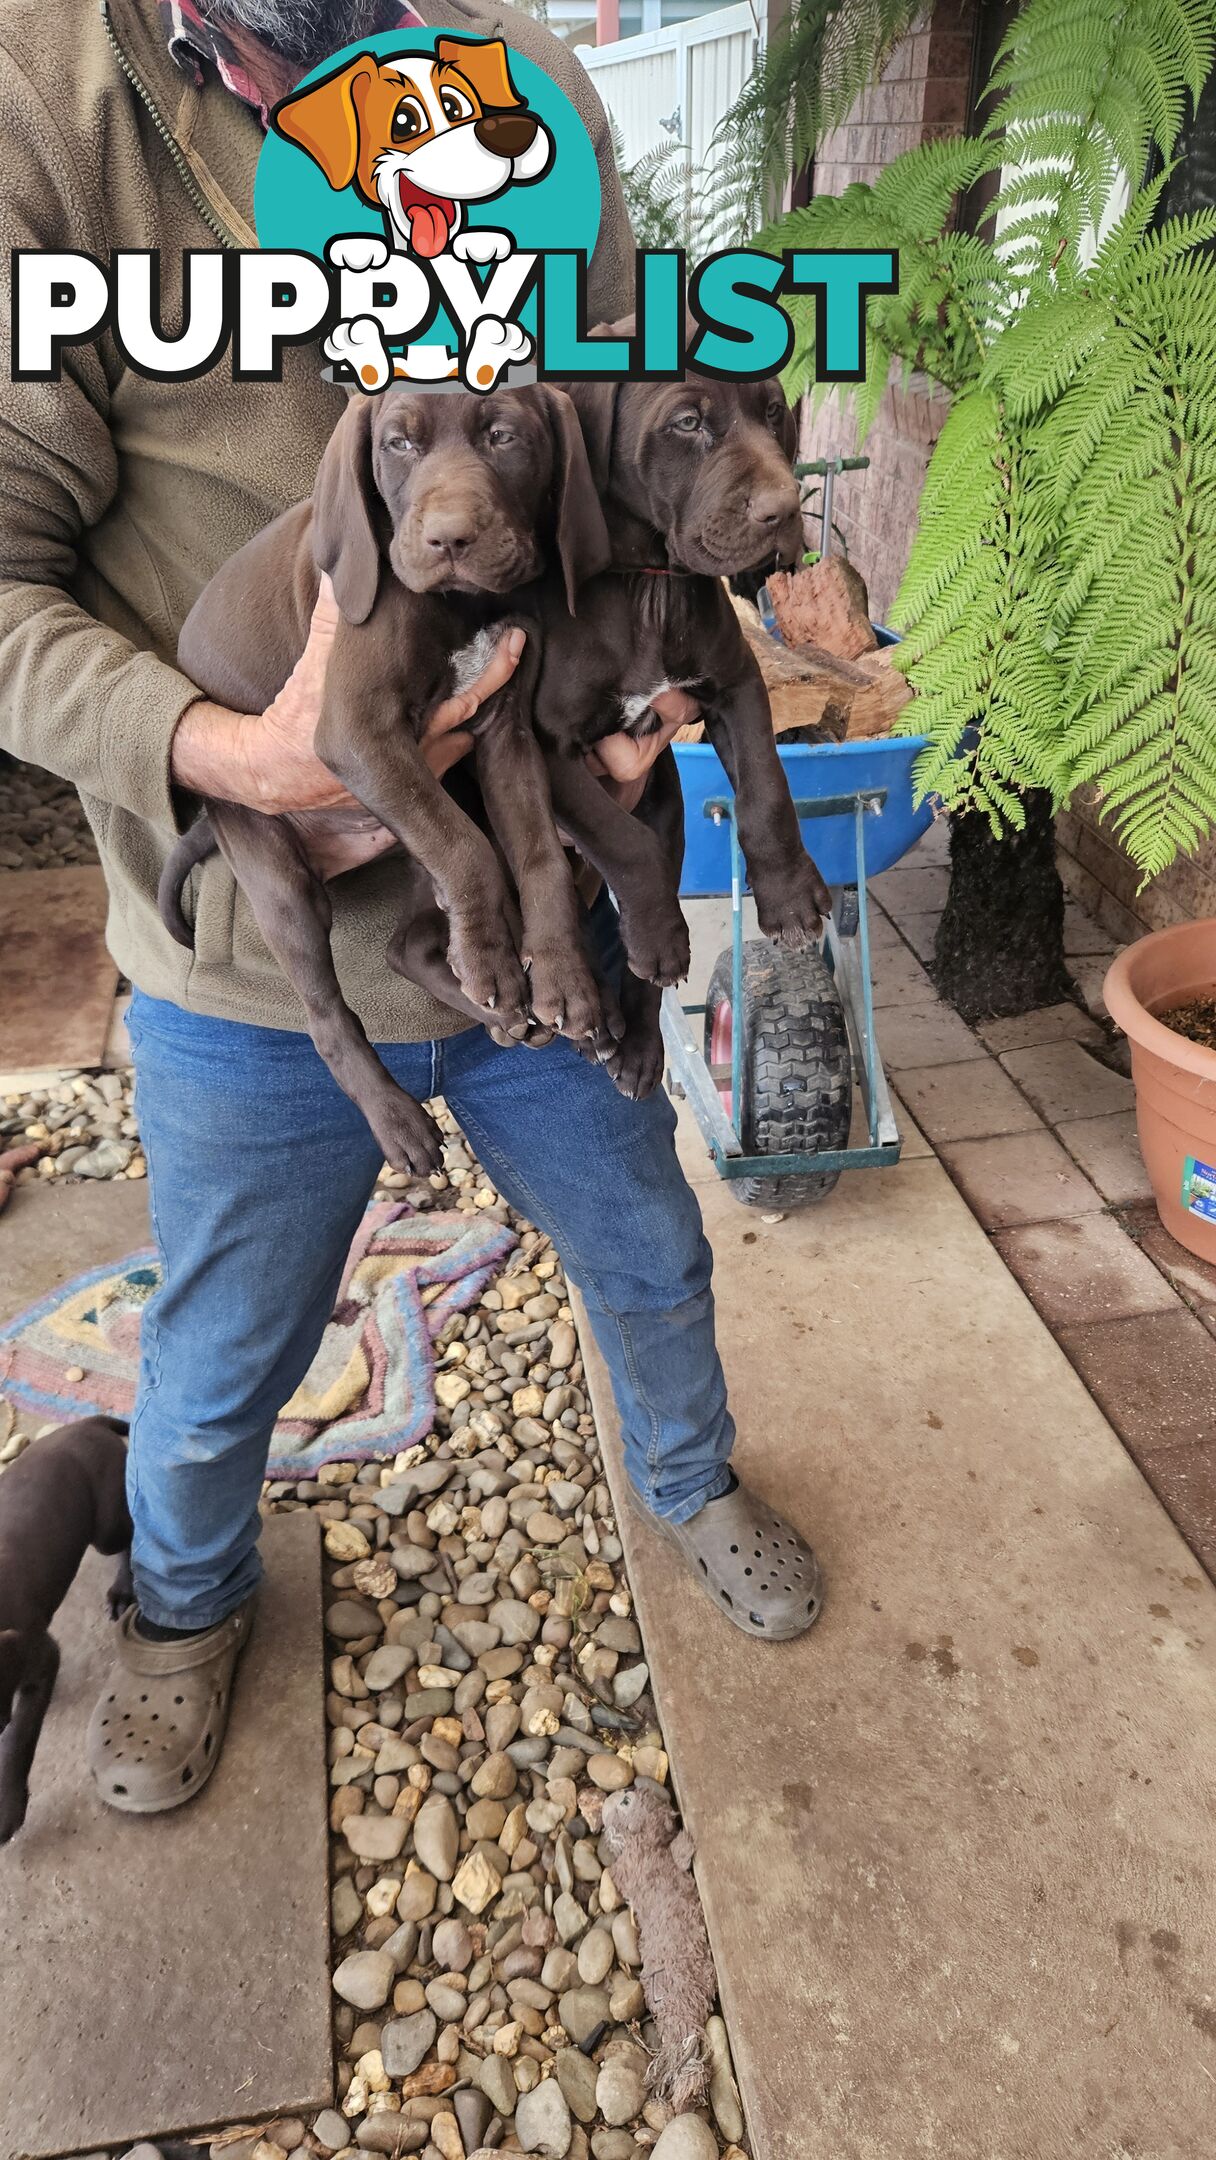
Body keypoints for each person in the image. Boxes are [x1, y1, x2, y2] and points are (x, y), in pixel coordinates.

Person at [0, 0, 823, 1816]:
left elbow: (645, 445)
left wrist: (668, 694)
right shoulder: (45, 114)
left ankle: (689, 1480)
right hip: (252, 947)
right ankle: (187, 1604)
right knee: (223, 1347)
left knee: (652, 1253)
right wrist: (222, 749)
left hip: (552, 900)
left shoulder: (520, 70)